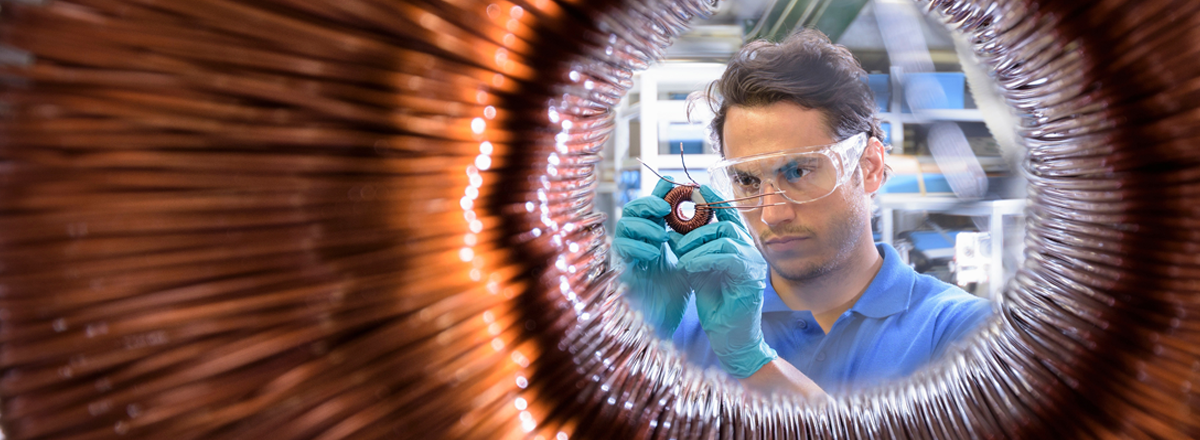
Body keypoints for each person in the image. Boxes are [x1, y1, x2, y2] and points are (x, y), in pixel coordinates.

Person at [613, 29, 992, 399]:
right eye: (746, 179)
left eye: (798, 172)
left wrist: (752, 361)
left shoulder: (960, 333)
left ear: (869, 167)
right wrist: (633, 342)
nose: (772, 213)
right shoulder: (690, 326)